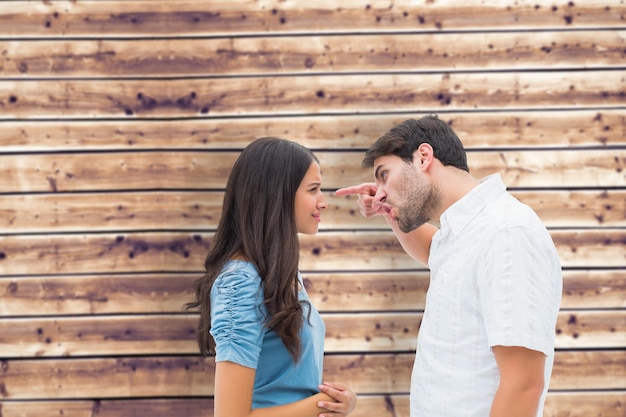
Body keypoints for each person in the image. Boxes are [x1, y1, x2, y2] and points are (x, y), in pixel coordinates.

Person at [336, 115, 562, 417]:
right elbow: (435, 251)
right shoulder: (464, 231)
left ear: (423, 157)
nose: (379, 192)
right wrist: (390, 210)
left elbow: (524, 383)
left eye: (384, 175)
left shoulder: (506, 232)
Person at [185, 137, 357, 417]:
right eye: (313, 189)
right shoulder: (239, 282)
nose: (323, 201)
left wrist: (337, 401)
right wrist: (322, 403)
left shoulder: (282, 275)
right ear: (277, 195)